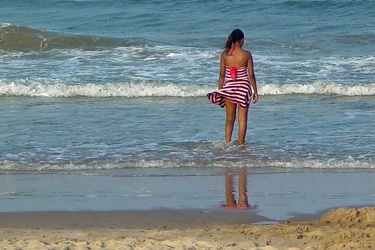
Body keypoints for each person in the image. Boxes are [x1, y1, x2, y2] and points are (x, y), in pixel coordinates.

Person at [207, 29, 258, 145]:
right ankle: (241, 146)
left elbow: (221, 74)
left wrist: (220, 90)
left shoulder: (225, 54)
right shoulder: (246, 54)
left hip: (229, 88)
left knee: (230, 119)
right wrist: (255, 91)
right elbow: (251, 75)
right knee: (242, 120)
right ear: (242, 40)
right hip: (243, 88)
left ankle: (227, 144)